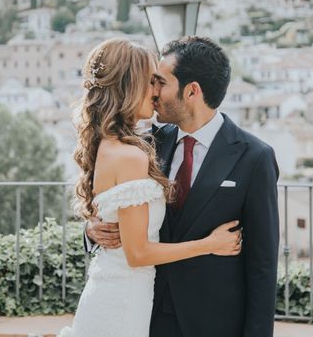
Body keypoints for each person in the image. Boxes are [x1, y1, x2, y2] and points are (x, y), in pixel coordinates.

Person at [87, 36, 280, 337]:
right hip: (146, 316)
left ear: (191, 91)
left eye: (160, 83)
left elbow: (263, 267)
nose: (154, 92)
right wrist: (91, 231)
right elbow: (114, 209)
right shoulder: (146, 144)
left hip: (214, 324)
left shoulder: (254, 157)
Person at [58, 38, 242, 337]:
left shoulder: (117, 144)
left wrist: (96, 226)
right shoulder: (131, 155)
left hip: (123, 295)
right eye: (150, 82)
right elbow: (138, 253)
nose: (156, 92)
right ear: (129, 87)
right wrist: (209, 244)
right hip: (123, 303)